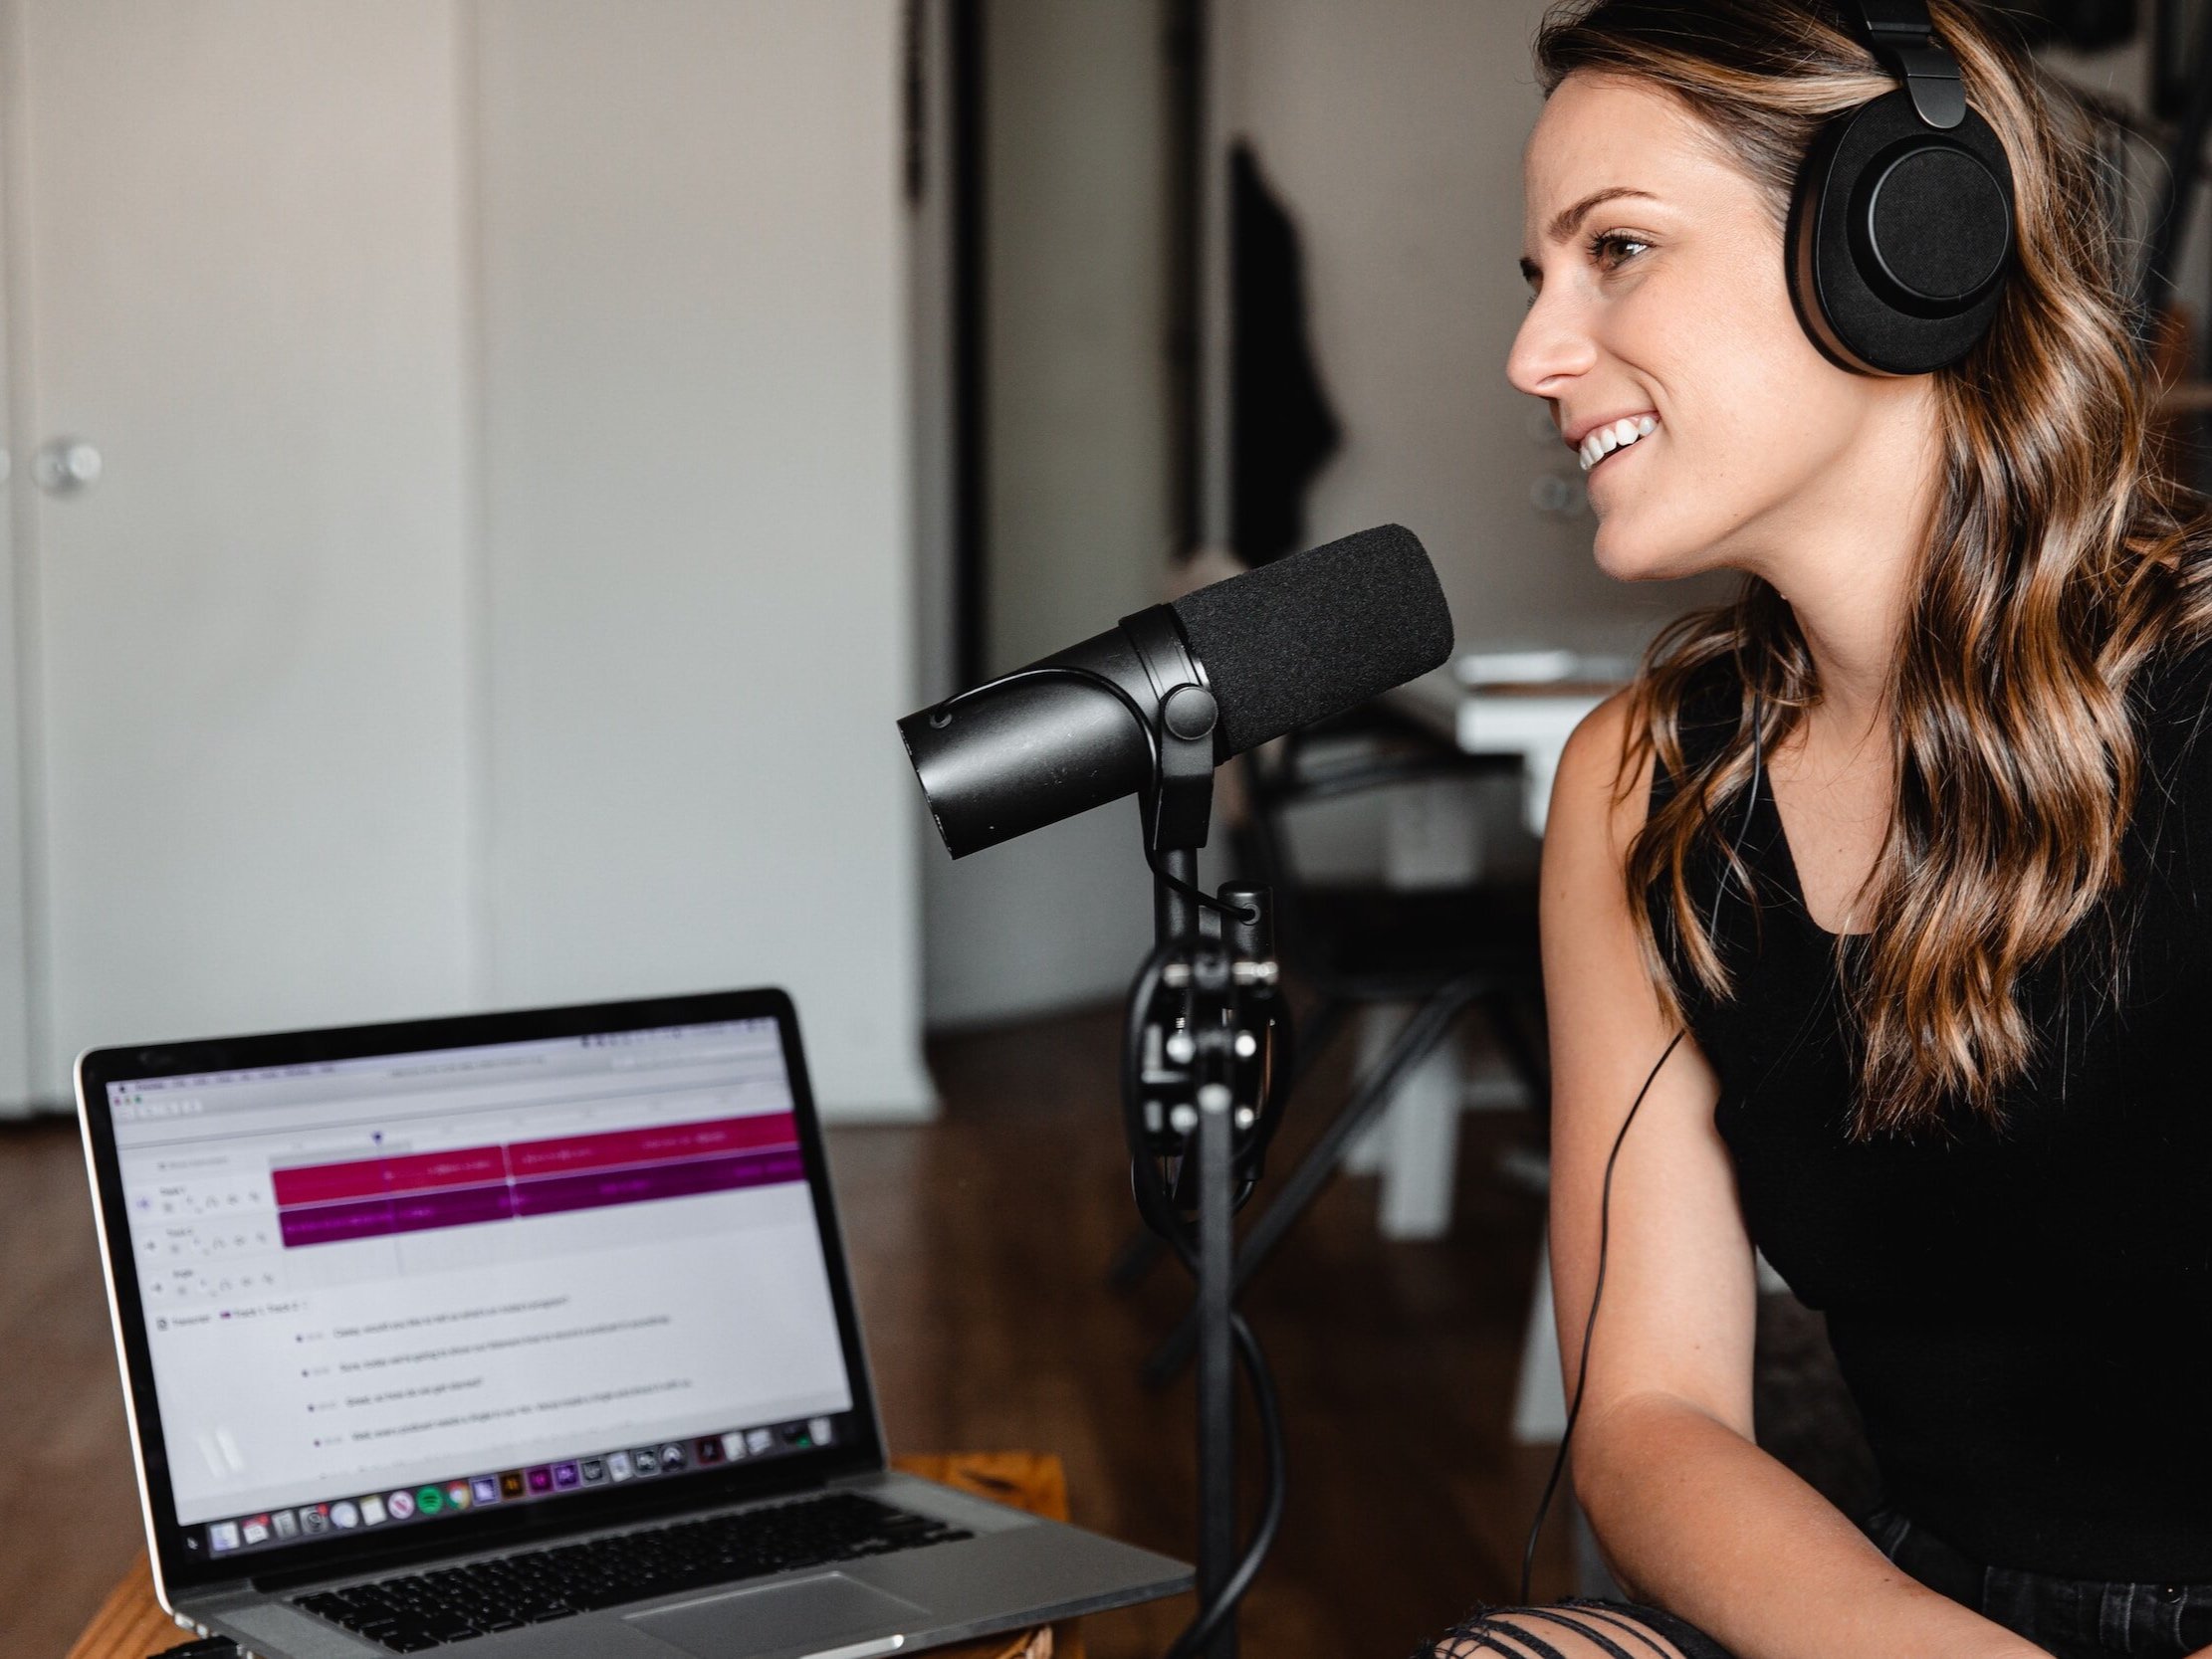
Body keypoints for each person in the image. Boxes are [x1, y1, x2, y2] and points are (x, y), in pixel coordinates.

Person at [1434, 2, 2212, 1655]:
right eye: (1536, 279)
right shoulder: (1641, 786)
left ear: (1903, 238)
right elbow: (1648, 1412)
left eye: (1616, 250)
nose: (1533, 356)